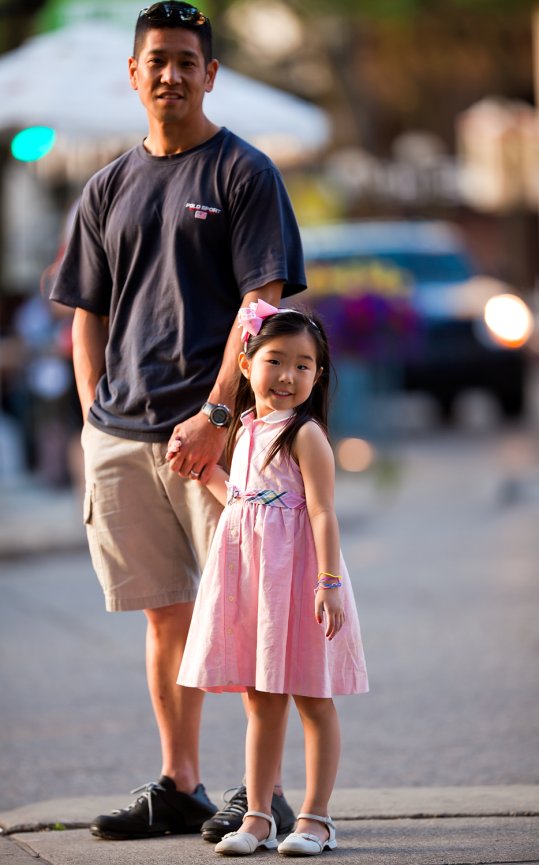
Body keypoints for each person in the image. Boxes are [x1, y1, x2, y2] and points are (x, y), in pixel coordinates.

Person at [49, 1, 304, 842]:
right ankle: (181, 784)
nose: (170, 74)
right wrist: (94, 415)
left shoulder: (243, 172)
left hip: (218, 433)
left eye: (186, 61)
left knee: (250, 609)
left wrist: (219, 411)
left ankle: (260, 791)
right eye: (156, 60)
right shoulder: (106, 186)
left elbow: (260, 303)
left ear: (210, 74)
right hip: (122, 435)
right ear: (134, 74)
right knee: (166, 612)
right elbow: (85, 311)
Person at [177, 300, 369, 856]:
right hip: (257, 580)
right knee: (261, 699)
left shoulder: (305, 435)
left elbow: (323, 512)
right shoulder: (244, 432)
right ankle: (258, 817)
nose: (288, 376)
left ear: (318, 374)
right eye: (276, 360)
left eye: (303, 365)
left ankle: (316, 819)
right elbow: (243, 501)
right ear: (246, 364)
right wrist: (204, 472)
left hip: (303, 580)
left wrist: (329, 583)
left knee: (312, 696)